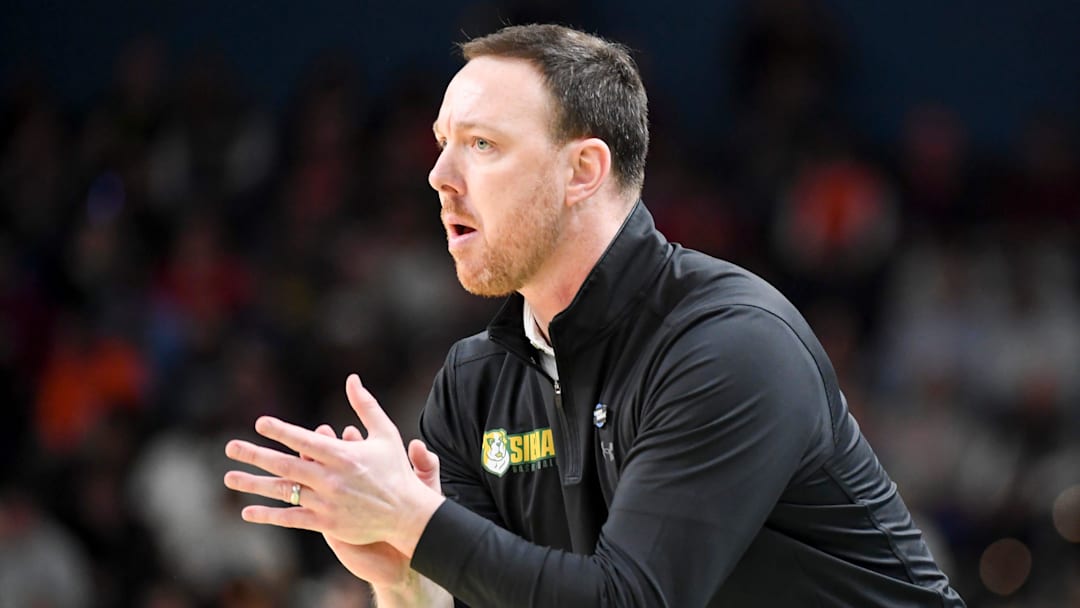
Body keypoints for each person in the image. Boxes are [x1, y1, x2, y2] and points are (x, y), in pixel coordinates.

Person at [224, 23, 966, 607]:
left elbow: (632, 598)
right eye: (442, 144)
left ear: (583, 172)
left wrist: (415, 522)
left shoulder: (732, 344)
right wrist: (405, 581)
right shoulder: (475, 384)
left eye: (480, 145)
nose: (439, 176)